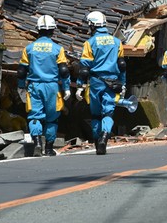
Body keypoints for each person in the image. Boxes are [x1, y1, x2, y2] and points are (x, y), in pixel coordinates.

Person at [17, 15, 71, 157]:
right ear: (53, 30)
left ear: (37, 30)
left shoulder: (28, 49)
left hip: (34, 86)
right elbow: (64, 71)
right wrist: (66, 88)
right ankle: (48, 148)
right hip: (52, 87)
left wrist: (21, 86)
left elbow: (21, 71)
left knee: (35, 116)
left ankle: (37, 144)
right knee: (52, 118)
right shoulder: (58, 49)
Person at [76, 10, 126, 155]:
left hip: (96, 82)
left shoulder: (89, 43)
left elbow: (84, 68)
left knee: (96, 114)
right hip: (113, 82)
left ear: (92, 25)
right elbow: (122, 65)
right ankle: (105, 135)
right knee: (108, 112)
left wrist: (80, 86)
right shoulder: (117, 42)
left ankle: (98, 141)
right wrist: (123, 83)